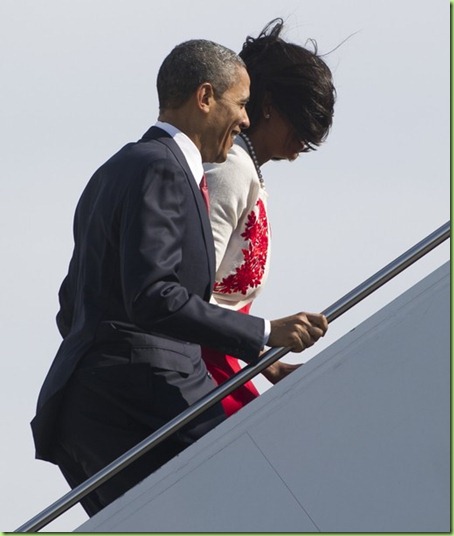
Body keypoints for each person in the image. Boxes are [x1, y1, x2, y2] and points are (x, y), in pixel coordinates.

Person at [30, 38, 329, 516]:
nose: (246, 119)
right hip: (145, 396)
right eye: (241, 104)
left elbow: (72, 305)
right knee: (268, 495)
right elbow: (154, 295)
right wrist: (265, 333)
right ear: (205, 97)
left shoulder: (116, 167)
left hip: (81, 408)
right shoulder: (165, 170)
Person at [202, 19, 336, 416]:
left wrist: (269, 363)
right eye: (301, 120)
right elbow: (189, 292)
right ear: (268, 105)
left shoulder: (246, 170)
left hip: (224, 359)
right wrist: (266, 334)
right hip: (200, 365)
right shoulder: (231, 169)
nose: (306, 140)